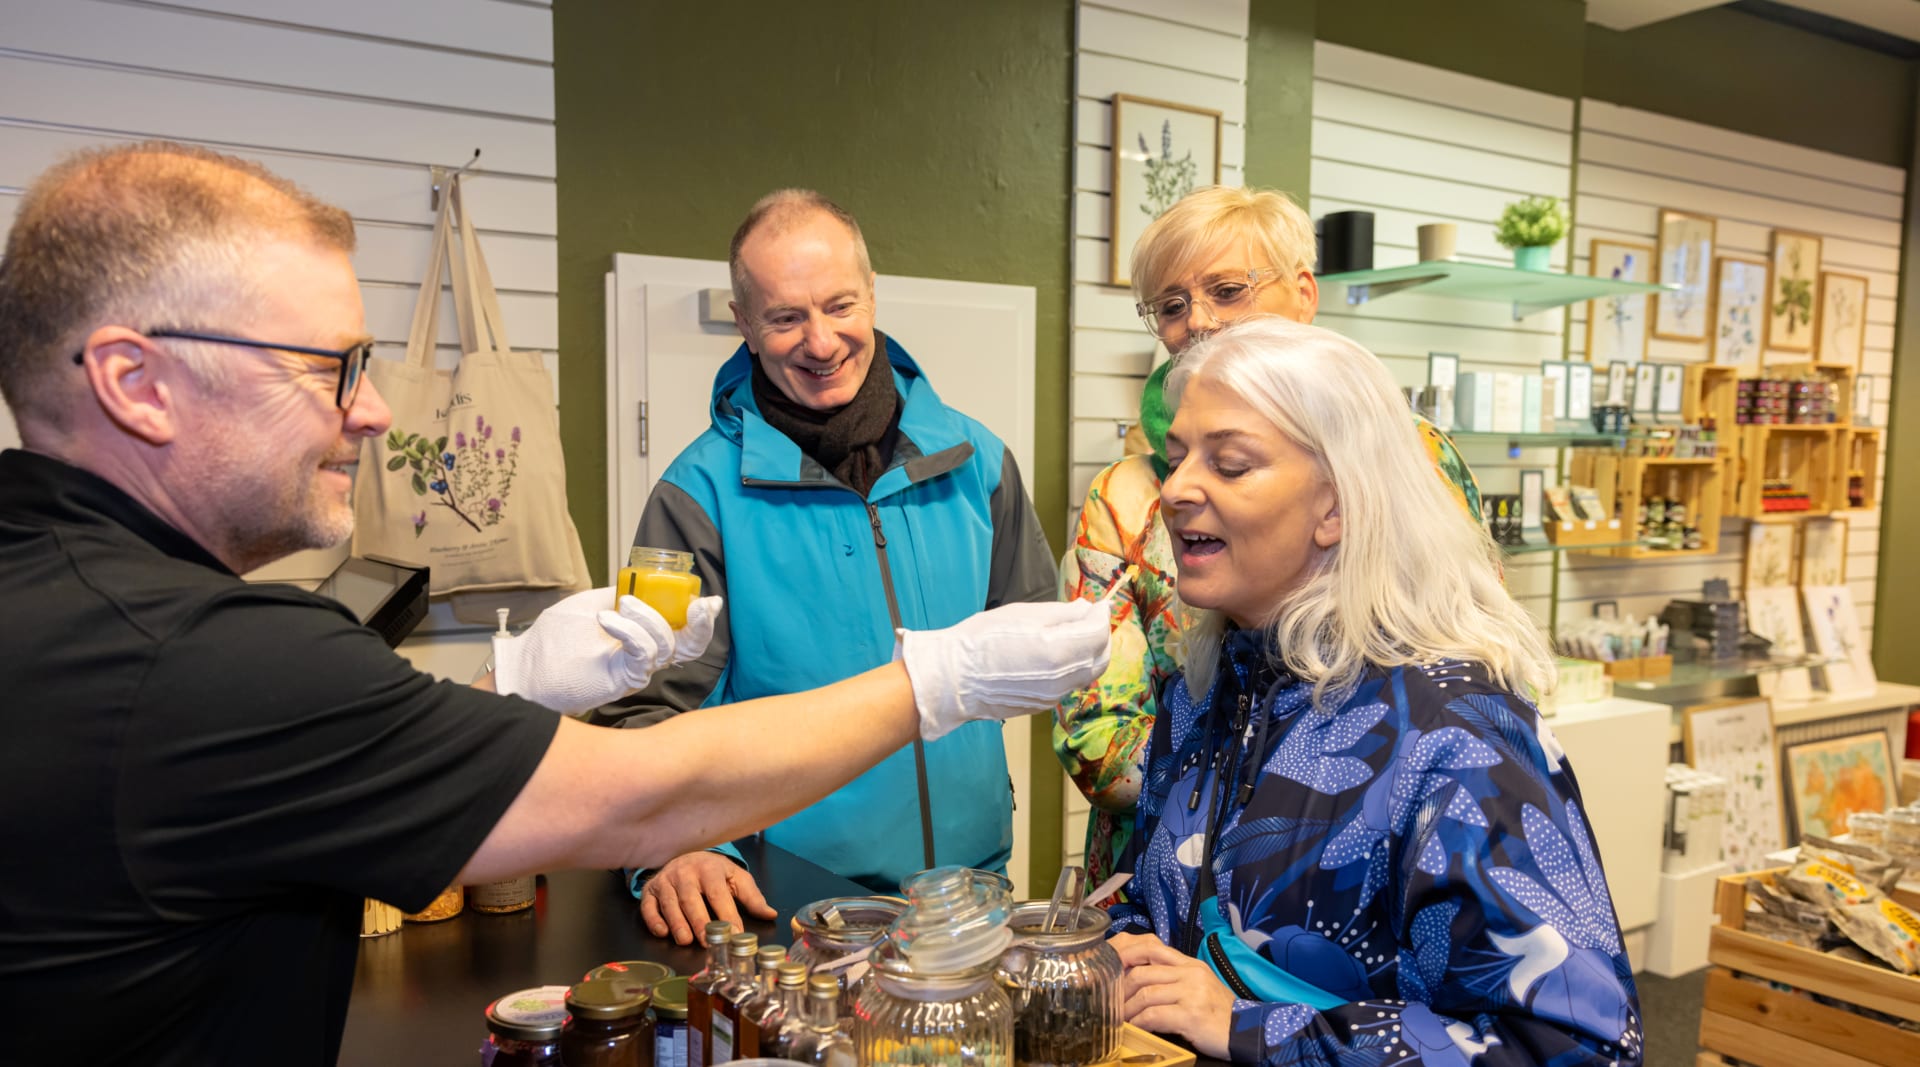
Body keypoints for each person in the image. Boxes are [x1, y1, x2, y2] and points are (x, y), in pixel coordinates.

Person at [0, 142, 1111, 1066]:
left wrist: (510, 684)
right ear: (136, 382)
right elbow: (627, 793)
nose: (377, 410)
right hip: (794, 903)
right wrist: (938, 678)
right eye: (329, 368)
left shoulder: (59, 597)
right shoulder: (201, 658)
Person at [1105, 317, 1641, 1066]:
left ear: (1338, 505)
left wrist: (1246, 1027)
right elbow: (1166, 909)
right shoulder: (1202, 693)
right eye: (1176, 457)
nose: (1175, 489)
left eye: (1229, 464)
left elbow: (1575, 1045)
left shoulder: (1456, 732)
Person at [602, 189, 1058, 941]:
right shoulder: (697, 494)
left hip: (973, 902)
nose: (821, 341)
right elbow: (644, 708)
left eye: (840, 305)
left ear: (872, 295)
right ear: (745, 324)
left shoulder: (977, 462)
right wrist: (680, 846)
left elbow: (1033, 657)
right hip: (797, 910)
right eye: (786, 317)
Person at [1056, 186, 1484, 888]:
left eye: (1227, 290)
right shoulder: (1130, 496)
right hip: (1163, 887)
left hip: (1362, 883)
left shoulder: (1412, 459)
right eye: (1170, 306)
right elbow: (1096, 735)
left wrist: (1322, 795)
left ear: (1305, 294)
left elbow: (1470, 663)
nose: (1198, 322)